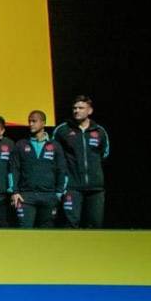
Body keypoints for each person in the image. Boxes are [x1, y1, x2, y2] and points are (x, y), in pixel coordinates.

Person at [52, 95, 110, 228]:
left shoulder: (99, 131)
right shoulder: (62, 130)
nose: (76, 111)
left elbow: (105, 153)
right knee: (71, 224)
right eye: (74, 108)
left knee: (95, 224)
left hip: (96, 187)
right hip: (71, 187)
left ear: (90, 111)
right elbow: (54, 154)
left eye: (81, 108)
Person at [13, 110, 68, 229]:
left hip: (48, 195)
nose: (31, 124)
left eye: (34, 121)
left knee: (47, 232)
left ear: (43, 123)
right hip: (26, 196)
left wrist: (59, 193)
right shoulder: (21, 144)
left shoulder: (55, 146)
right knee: (24, 231)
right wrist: (15, 191)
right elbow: (14, 170)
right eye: (29, 121)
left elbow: (62, 170)